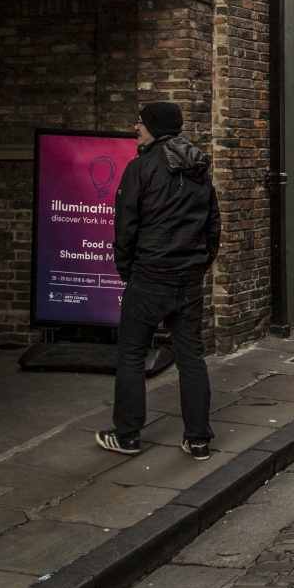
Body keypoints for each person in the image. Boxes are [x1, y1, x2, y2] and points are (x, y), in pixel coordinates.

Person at [98, 102, 221, 460]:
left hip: (149, 277)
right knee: (191, 358)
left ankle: (127, 435)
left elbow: (125, 228)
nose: (136, 126)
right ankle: (198, 439)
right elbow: (212, 225)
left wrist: (128, 271)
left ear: (154, 126)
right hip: (187, 280)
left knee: (132, 355)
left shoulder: (141, 168)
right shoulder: (199, 169)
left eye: (140, 121)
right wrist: (199, 264)